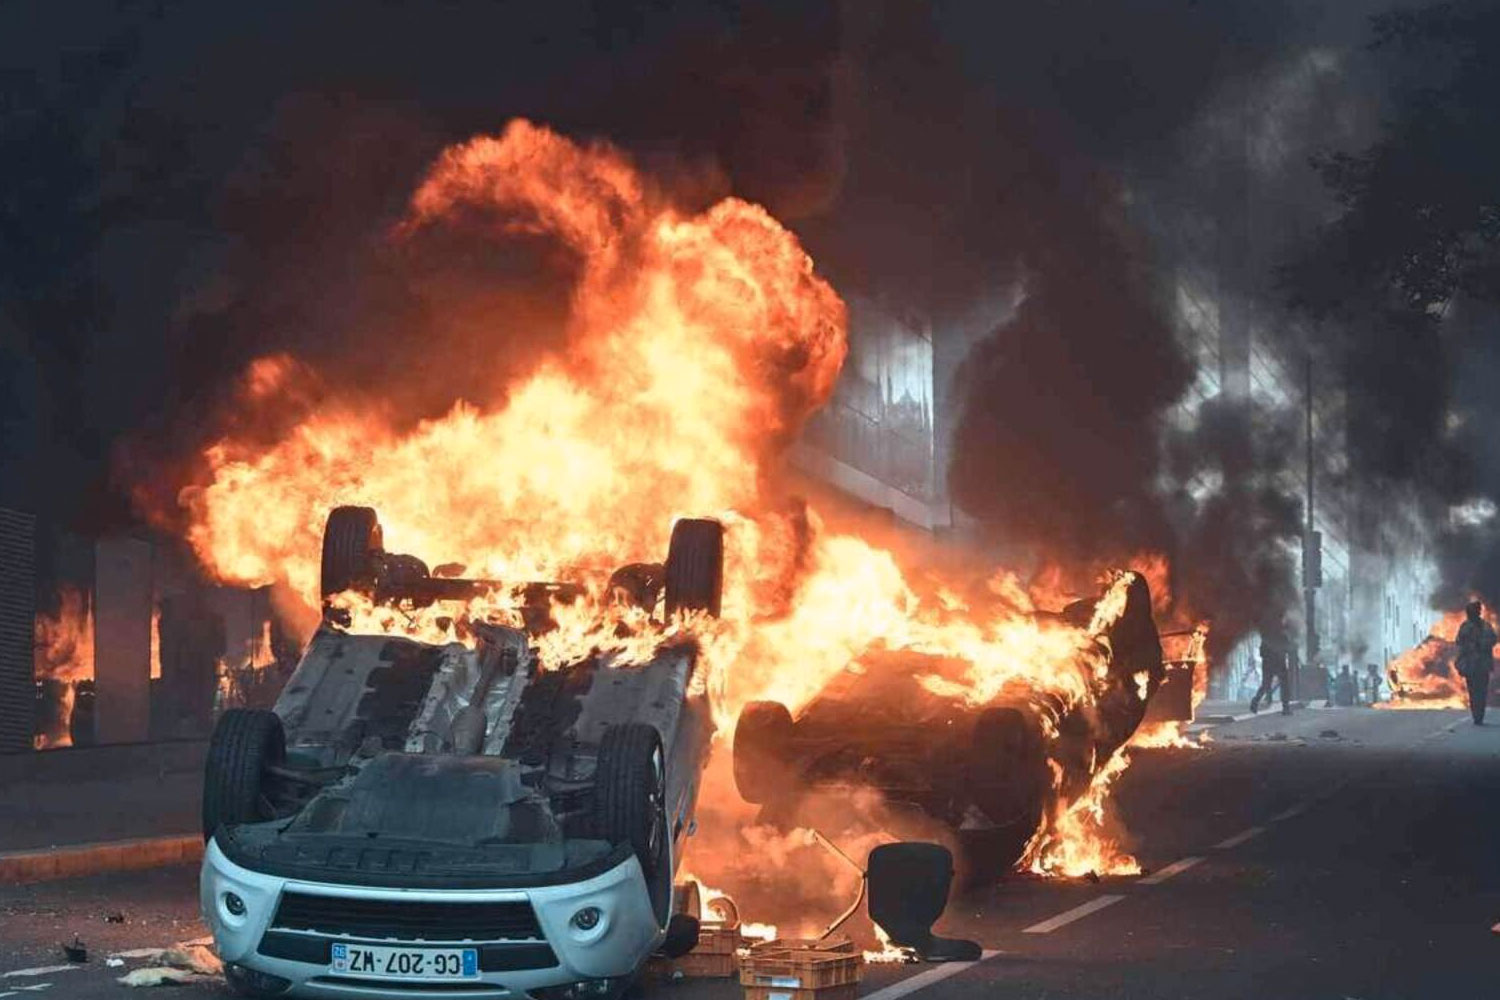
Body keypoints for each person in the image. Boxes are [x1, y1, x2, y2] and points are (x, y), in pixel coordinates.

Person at [1454, 600, 1497, 725]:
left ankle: (1480, 715)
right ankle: (1476, 716)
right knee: (1473, 691)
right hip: (1471, 665)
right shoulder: (1465, 626)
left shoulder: (1486, 626)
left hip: (1482, 664)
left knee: (1482, 691)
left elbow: (1493, 639)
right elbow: (1459, 641)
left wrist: (1481, 644)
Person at [1251, 621, 1293, 716]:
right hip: (1279, 662)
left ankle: (1255, 701)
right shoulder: (1281, 636)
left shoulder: (1267, 636)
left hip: (1268, 663)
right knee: (1284, 684)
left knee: (1266, 684)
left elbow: (1262, 652)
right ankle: (1285, 708)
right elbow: (1287, 648)